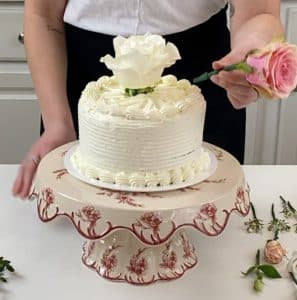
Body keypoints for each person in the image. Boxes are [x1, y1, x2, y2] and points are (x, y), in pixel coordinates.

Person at [12, 0, 284, 199]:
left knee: (206, 243)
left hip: (201, 76)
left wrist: (254, 50)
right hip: (80, 81)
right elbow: (42, 15)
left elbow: (258, 12)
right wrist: (57, 123)